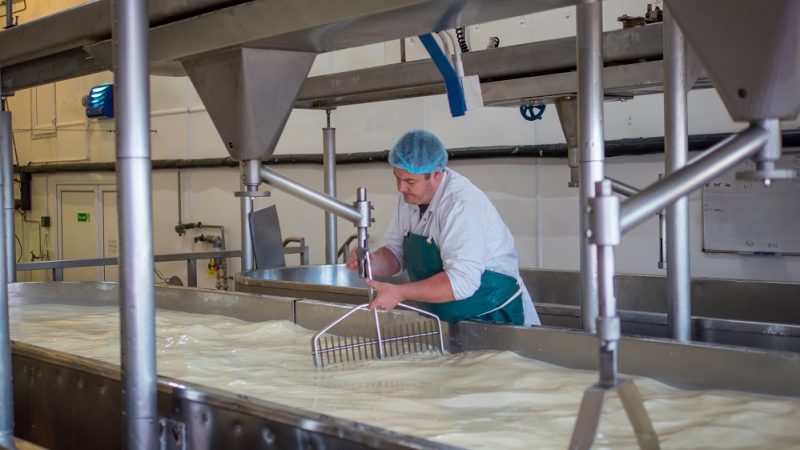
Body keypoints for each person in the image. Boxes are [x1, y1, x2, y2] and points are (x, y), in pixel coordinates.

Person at [347, 129, 540, 326]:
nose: (400, 188)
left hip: (495, 317)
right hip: (446, 320)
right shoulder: (408, 199)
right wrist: (372, 262)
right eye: (397, 178)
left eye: (409, 181)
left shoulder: (460, 205)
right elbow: (396, 253)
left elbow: (461, 282)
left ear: (437, 176)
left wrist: (399, 293)